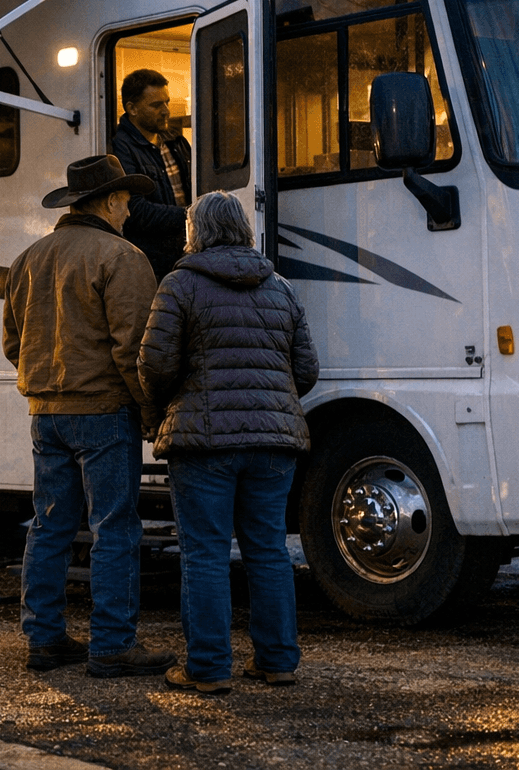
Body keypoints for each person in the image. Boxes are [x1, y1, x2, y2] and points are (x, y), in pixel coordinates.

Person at [3, 154, 177, 679]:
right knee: (115, 528)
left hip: (45, 413)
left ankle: (44, 638)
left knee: (49, 527)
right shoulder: (122, 257)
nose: (129, 212)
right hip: (103, 411)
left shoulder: (27, 259)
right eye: (126, 202)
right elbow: (134, 351)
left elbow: (15, 344)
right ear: (107, 201)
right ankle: (112, 644)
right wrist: (151, 413)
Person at [138, 191, 319, 694]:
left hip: (203, 443)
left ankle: (208, 669)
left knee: (206, 554)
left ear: (195, 232)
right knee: (267, 550)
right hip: (273, 443)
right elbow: (306, 369)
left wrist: (167, 407)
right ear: (243, 228)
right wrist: (269, 401)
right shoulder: (280, 287)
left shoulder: (180, 285)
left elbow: (153, 364)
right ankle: (278, 660)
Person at [112, 68, 193, 280]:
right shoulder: (119, 148)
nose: (166, 110)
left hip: (186, 255)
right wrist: (191, 215)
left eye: (166, 102)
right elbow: (134, 210)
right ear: (132, 108)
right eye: (156, 105)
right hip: (150, 264)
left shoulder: (176, 142)